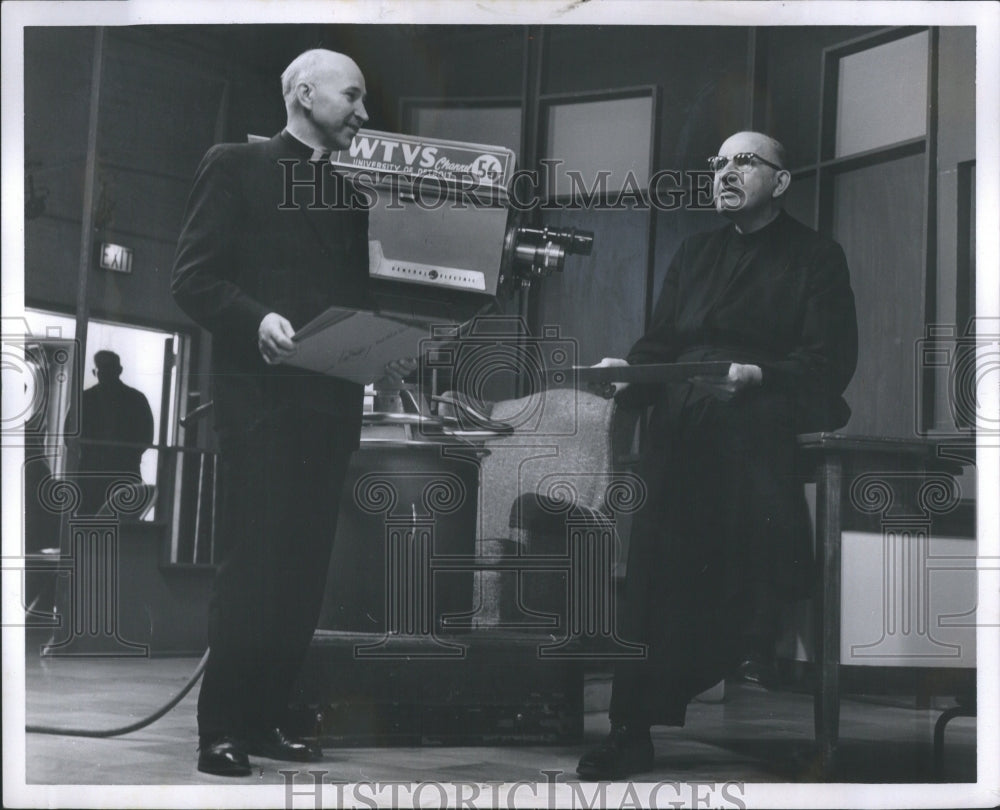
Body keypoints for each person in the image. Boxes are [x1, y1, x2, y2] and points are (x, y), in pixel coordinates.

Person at [576, 131, 858, 780]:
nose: (726, 173)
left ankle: (756, 611)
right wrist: (628, 371)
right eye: (718, 164)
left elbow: (827, 362)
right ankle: (630, 731)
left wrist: (758, 377)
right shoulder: (693, 253)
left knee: (727, 557)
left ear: (780, 182)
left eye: (744, 162)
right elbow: (659, 348)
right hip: (679, 434)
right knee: (652, 564)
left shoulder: (817, 257)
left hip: (757, 421)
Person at [172, 49, 412, 777]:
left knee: (305, 575)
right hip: (263, 410)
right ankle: (222, 730)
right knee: (254, 571)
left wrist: (387, 344)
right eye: (354, 97)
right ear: (304, 95)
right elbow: (193, 278)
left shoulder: (350, 199)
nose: (365, 113)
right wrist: (258, 319)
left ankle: (267, 718)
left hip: (328, 412)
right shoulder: (233, 167)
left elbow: (358, 300)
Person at [69, 350, 154, 515]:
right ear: (120, 370)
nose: (103, 374)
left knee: (90, 526)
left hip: (93, 473)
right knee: (122, 527)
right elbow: (146, 437)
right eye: (102, 370)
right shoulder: (136, 399)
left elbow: (69, 436)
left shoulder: (84, 399)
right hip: (121, 471)